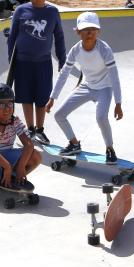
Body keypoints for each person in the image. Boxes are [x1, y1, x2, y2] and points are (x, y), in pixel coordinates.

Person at [45, 12, 124, 163]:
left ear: (98, 31)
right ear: (78, 32)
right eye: (85, 30)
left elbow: (115, 77)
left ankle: (110, 148)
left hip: (104, 88)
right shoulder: (75, 50)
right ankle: (74, 144)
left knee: (101, 118)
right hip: (87, 87)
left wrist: (118, 103)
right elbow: (64, 74)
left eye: (93, 29)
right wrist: (52, 98)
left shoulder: (104, 49)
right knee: (59, 115)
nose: (89, 33)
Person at [7, 0, 65, 145]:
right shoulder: (21, 11)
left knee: (42, 98)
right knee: (25, 97)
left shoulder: (52, 12)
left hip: (43, 63)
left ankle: (40, 130)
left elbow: (59, 37)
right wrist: (11, 60)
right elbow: (12, 37)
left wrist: (62, 59)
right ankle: (30, 129)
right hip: (23, 62)